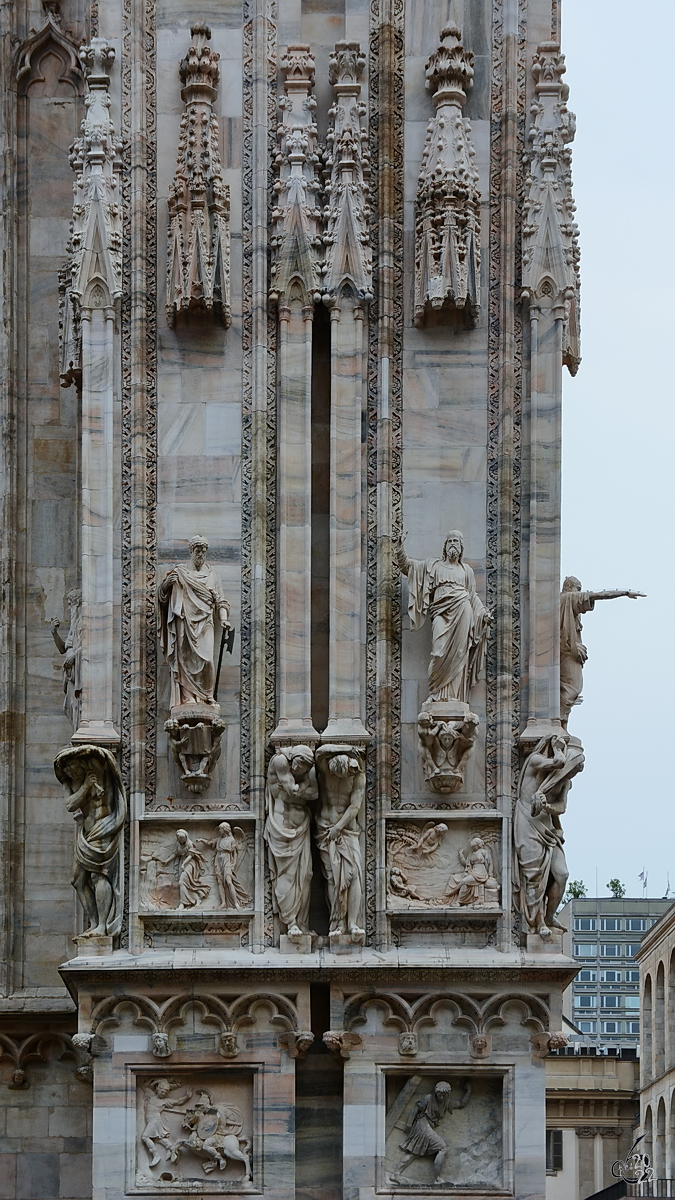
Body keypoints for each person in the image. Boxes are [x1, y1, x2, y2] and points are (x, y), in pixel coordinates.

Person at [396, 530, 491, 704]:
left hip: (463, 612)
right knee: (439, 652)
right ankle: (436, 692)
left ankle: (454, 697)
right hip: (440, 613)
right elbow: (408, 567)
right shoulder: (434, 566)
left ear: (461, 547)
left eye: (456, 541)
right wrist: (400, 548)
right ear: (445, 546)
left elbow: (473, 596)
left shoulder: (466, 571)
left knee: (460, 653)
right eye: (450, 541)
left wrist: (483, 613)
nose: (453, 544)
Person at [514, 734, 584, 936]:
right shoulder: (536, 761)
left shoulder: (564, 782)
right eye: (574, 767)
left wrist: (548, 807)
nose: (573, 774)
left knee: (562, 874)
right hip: (527, 822)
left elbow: (561, 806)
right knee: (533, 875)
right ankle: (537, 924)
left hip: (547, 830)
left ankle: (549, 915)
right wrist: (558, 747)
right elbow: (557, 762)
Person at [54, 744, 126, 937]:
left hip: (103, 828)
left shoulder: (99, 771)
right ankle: (94, 923)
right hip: (85, 834)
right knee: (77, 880)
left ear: (81, 763)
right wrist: (86, 786)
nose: (69, 771)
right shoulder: (71, 783)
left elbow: (106, 756)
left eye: (72, 766)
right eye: (66, 768)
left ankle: (102, 926)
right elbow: (70, 805)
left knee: (98, 875)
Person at [157, 536, 231, 708]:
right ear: (191, 551)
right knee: (184, 658)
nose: (201, 554)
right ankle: (188, 697)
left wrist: (224, 618)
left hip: (205, 621)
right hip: (184, 621)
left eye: (204, 551)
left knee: (208, 660)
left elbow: (221, 601)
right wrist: (168, 583)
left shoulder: (213, 575)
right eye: (198, 551)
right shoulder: (180, 572)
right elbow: (161, 596)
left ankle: (206, 695)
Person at [559, 576, 644, 724]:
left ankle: (560, 721)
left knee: (571, 689)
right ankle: (557, 719)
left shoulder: (562, 602)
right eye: (578, 589)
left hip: (567, 650)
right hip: (569, 650)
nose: (580, 593)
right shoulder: (569, 598)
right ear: (570, 587)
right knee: (573, 688)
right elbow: (597, 595)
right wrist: (624, 593)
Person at [264, 746, 318, 940]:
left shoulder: (307, 764)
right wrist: (303, 789)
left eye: (303, 770)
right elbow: (291, 789)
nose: (299, 772)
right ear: (294, 759)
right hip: (282, 828)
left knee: (306, 874)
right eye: (298, 768)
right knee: (287, 874)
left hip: (301, 826)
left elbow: (315, 794)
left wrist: (301, 789)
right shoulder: (280, 761)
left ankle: (302, 923)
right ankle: (290, 922)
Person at [315, 746, 366, 943]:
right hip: (325, 828)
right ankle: (337, 923)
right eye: (335, 774)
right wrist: (348, 749)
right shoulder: (325, 766)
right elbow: (320, 752)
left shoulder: (357, 776)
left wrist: (339, 827)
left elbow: (354, 807)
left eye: (341, 775)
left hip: (346, 829)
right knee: (333, 878)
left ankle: (353, 923)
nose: (337, 778)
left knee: (354, 874)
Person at [390, 1079, 471, 1185]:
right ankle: (437, 1179)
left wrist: (469, 1091)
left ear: (448, 1094)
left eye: (444, 1095)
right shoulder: (429, 1098)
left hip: (428, 1126)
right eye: (440, 1094)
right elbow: (416, 1109)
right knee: (442, 1147)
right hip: (422, 1124)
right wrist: (409, 1124)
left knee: (414, 1153)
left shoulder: (447, 1102)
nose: (442, 1097)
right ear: (436, 1093)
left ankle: (395, 1174)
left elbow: (461, 1104)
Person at [141, 1077, 193, 1168]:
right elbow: (146, 1086)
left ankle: (156, 1155)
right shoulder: (150, 1096)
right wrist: (158, 1081)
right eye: (162, 1091)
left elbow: (178, 1102)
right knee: (158, 1139)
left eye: (166, 1092)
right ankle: (172, 1148)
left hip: (155, 1120)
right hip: (150, 1120)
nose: (164, 1093)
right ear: (157, 1089)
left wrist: (187, 1097)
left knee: (145, 1137)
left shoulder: (165, 1101)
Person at [50, 587, 82, 729]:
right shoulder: (74, 625)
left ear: (77, 603)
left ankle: (79, 732)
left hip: (77, 670)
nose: (69, 608)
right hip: (70, 671)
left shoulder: (83, 623)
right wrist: (54, 633)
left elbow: (92, 646)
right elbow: (63, 648)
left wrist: (74, 656)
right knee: (68, 706)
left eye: (70, 604)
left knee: (74, 704)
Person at [197, 822, 249, 909]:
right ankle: (223, 903)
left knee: (228, 881)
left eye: (221, 829)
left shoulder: (231, 840)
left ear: (225, 829)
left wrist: (233, 864)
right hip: (218, 859)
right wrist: (202, 840)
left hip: (227, 860)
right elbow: (210, 843)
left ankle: (235, 903)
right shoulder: (219, 839)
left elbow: (235, 853)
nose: (219, 830)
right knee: (220, 881)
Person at [156, 828, 210, 909]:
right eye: (180, 838)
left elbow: (191, 855)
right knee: (188, 883)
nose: (181, 840)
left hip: (190, 864)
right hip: (183, 863)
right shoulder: (179, 844)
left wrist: (184, 864)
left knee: (182, 881)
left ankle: (183, 903)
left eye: (182, 838)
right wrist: (167, 861)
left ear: (185, 837)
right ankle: (196, 899)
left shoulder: (189, 844)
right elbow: (176, 853)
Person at [443, 837, 499, 907]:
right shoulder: (471, 853)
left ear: (477, 845)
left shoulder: (483, 852)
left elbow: (490, 863)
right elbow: (466, 864)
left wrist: (490, 875)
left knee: (464, 881)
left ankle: (455, 899)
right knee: (453, 878)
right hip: (472, 872)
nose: (472, 847)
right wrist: (461, 854)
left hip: (480, 873)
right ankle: (447, 897)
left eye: (474, 845)